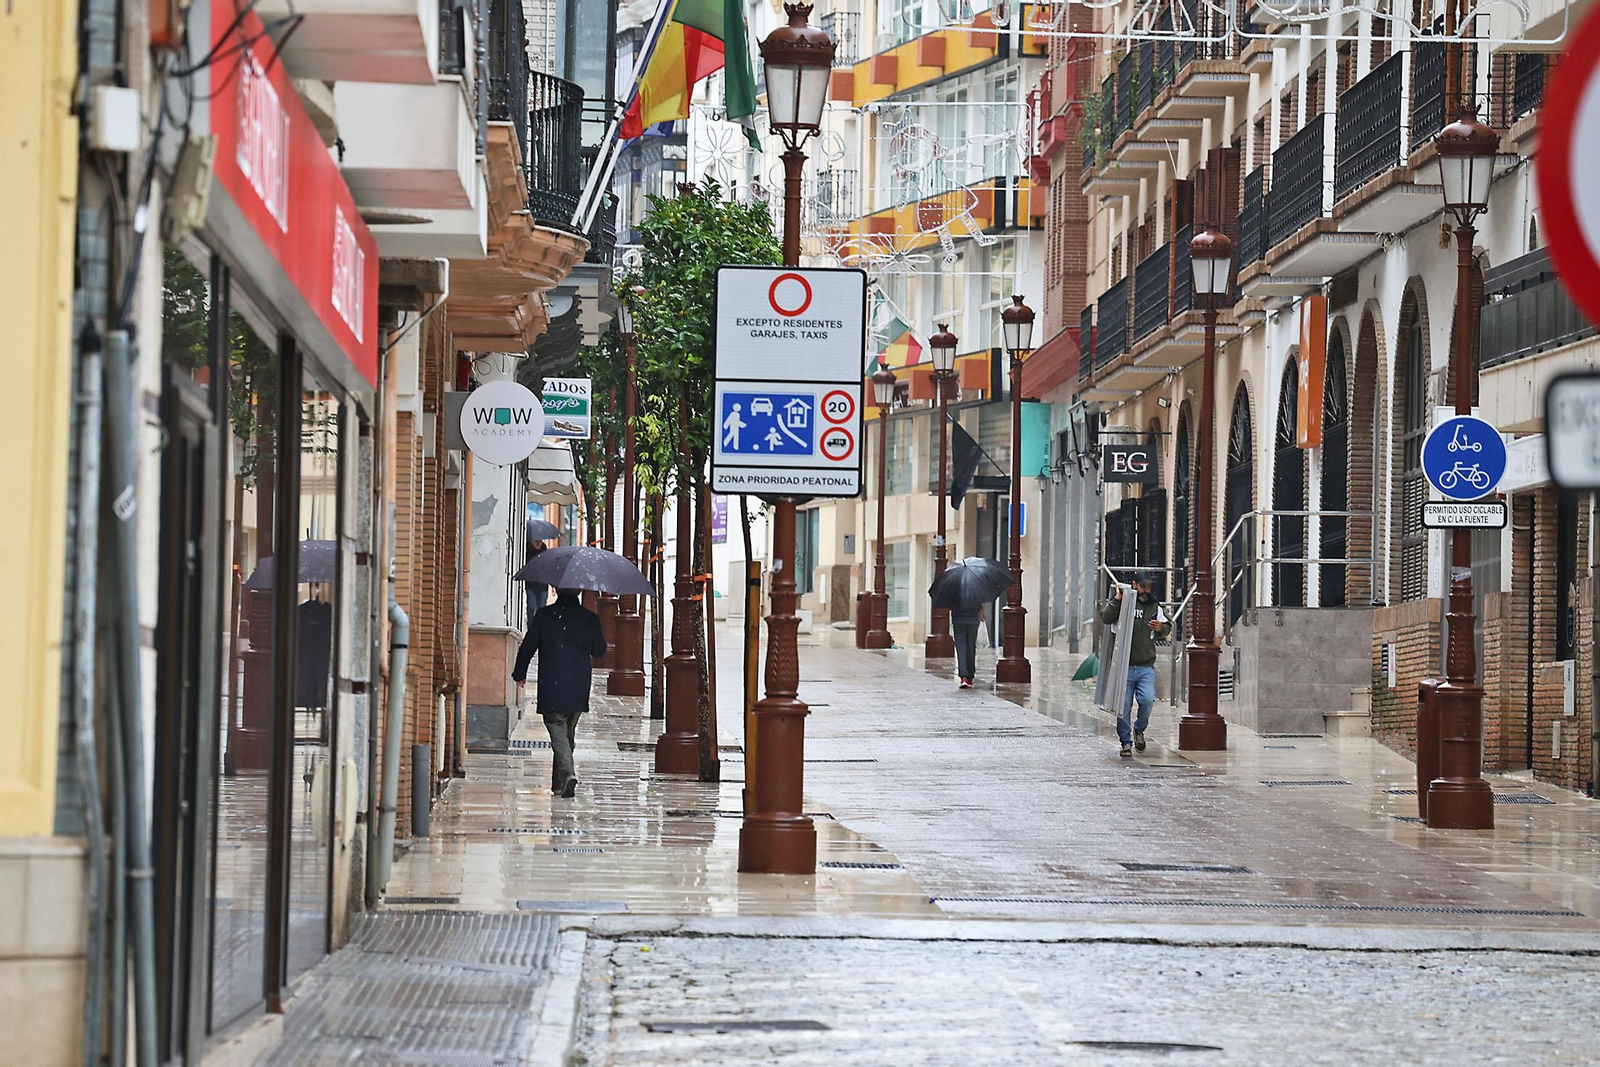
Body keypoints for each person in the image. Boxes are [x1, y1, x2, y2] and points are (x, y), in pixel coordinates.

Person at [513, 588, 608, 797]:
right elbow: (600, 650)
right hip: (578, 685)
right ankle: (558, 786)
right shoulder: (590, 618)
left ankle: (568, 774)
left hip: (552, 684)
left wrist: (519, 673)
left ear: (555, 590)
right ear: (580, 591)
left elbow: (528, 647)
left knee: (558, 732)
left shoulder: (544, 616)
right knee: (566, 736)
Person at [1099, 570, 1170, 758]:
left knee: (1147, 700)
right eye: (1143, 586)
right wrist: (1117, 599)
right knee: (1123, 706)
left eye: (1149, 587)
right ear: (1134, 584)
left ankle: (1139, 730)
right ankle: (1126, 742)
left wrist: (1161, 628)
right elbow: (1106, 617)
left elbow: (1167, 627)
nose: (1146, 590)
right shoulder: (1124, 601)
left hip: (1145, 665)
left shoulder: (1154, 605)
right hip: (1124, 665)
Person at [952, 600, 985, 689]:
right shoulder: (975, 587)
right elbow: (979, 602)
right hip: (972, 620)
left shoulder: (953, 588)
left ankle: (964, 677)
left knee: (961, 649)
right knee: (970, 648)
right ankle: (969, 676)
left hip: (958, 620)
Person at [524, 540, 549, 621]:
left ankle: (540, 627)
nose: (538, 542)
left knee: (542, 608)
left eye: (540, 540)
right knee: (531, 606)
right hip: (531, 584)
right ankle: (531, 625)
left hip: (542, 584)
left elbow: (548, 567)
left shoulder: (544, 550)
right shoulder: (528, 549)